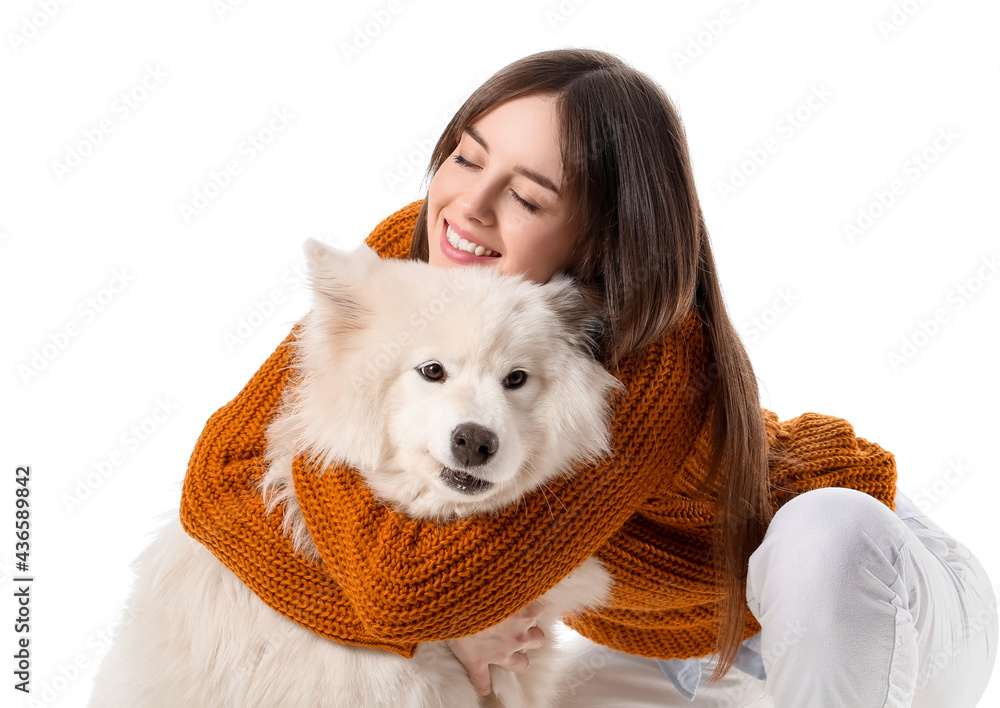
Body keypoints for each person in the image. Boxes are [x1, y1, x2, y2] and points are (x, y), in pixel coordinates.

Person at [180, 49, 998, 706]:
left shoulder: (650, 361)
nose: (469, 206)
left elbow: (404, 585)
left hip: (880, 603)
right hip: (685, 649)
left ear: (601, 245)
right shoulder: (423, 255)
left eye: (528, 199)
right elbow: (218, 478)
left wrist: (439, 617)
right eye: (466, 158)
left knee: (821, 540)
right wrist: (436, 622)